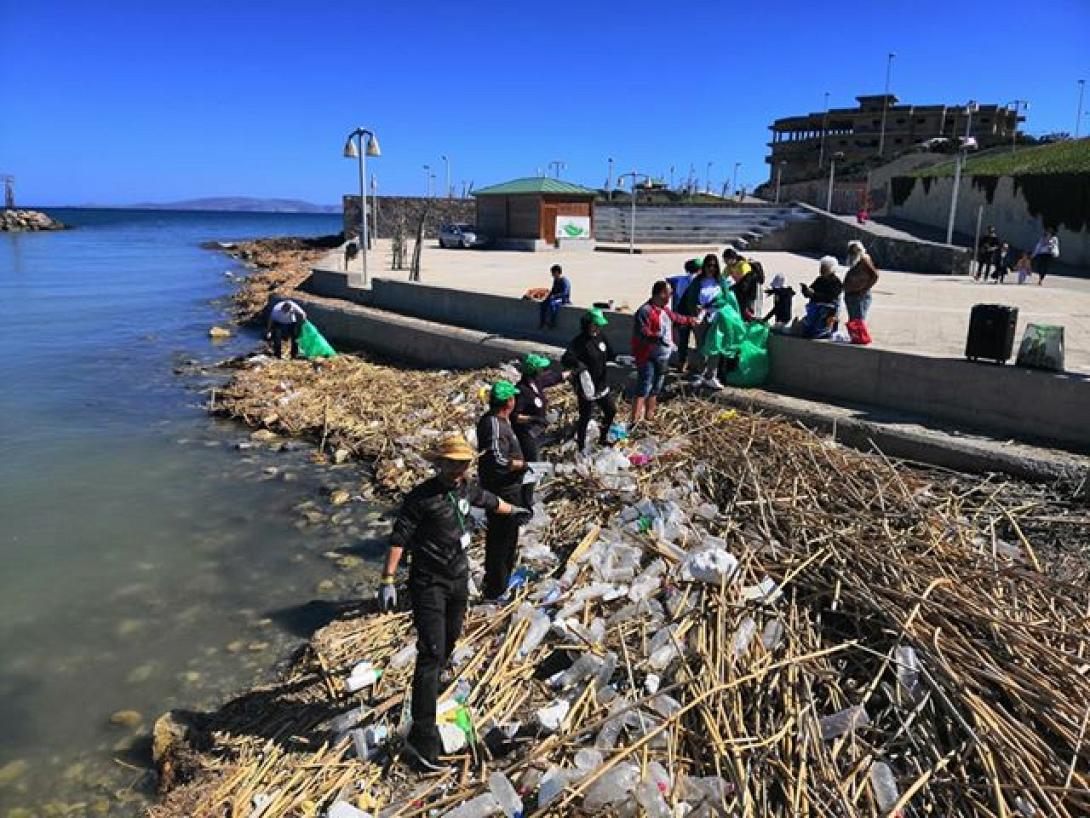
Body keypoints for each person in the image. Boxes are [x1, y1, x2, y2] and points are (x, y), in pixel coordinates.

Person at [379, 434, 529, 769]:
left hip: (458, 579)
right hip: (428, 582)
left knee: (449, 640)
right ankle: (422, 732)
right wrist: (388, 580)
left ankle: (428, 691)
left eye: (463, 463)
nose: (459, 469)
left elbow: (489, 500)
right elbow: (399, 538)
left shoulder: (466, 488)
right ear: (439, 463)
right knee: (430, 651)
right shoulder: (421, 497)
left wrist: (514, 510)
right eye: (453, 463)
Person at [476, 381, 531, 600]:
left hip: (510, 488)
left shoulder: (500, 422)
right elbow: (496, 457)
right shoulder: (493, 424)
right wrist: (520, 465)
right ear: (509, 401)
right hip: (502, 490)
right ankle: (495, 589)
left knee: (509, 538)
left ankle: (502, 583)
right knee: (501, 539)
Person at [631, 280, 701, 424]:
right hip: (647, 356)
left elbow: (676, 318)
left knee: (656, 387)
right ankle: (635, 420)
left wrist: (690, 320)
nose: (670, 297)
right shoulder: (645, 311)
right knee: (644, 387)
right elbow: (642, 332)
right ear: (662, 294)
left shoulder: (664, 310)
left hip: (662, 355)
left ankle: (649, 418)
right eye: (669, 294)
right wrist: (658, 338)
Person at [562, 308, 617, 452]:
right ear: (588, 324)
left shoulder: (601, 337)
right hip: (586, 386)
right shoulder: (579, 341)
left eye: (600, 326)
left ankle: (603, 437)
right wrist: (579, 365)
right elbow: (566, 358)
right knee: (585, 416)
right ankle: (581, 447)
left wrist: (621, 359)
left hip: (601, 384)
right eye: (595, 325)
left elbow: (610, 353)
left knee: (611, 411)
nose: (598, 328)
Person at [666, 258, 701, 371]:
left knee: (683, 341)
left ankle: (682, 364)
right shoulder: (699, 281)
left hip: (682, 314)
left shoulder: (680, 280)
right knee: (700, 341)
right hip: (696, 314)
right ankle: (701, 366)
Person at [798, 256, 843, 339]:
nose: (821, 270)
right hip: (816, 305)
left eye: (824, 268)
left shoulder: (836, 282)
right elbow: (811, 291)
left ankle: (822, 331)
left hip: (828, 307)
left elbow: (830, 297)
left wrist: (814, 294)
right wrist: (806, 290)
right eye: (821, 268)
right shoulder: (819, 279)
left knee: (822, 314)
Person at [842, 240, 879, 322]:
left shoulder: (864, 259)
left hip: (860, 295)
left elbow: (875, 275)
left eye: (855, 250)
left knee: (858, 320)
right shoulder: (854, 259)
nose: (852, 253)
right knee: (853, 320)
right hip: (851, 293)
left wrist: (864, 290)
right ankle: (854, 334)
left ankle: (858, 335)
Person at [538, 264, 571, 329]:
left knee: (552, 304)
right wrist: (547, 297)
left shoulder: (564, 281)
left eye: (553, 273)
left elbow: (565, 293)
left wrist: (555, 296)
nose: (552, 275)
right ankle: (543, 321)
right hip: (555, 298)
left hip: (563, 299)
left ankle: (552, 322)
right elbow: (553, 290)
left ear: (557, 272)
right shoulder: (556, 280)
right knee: (543, 304)